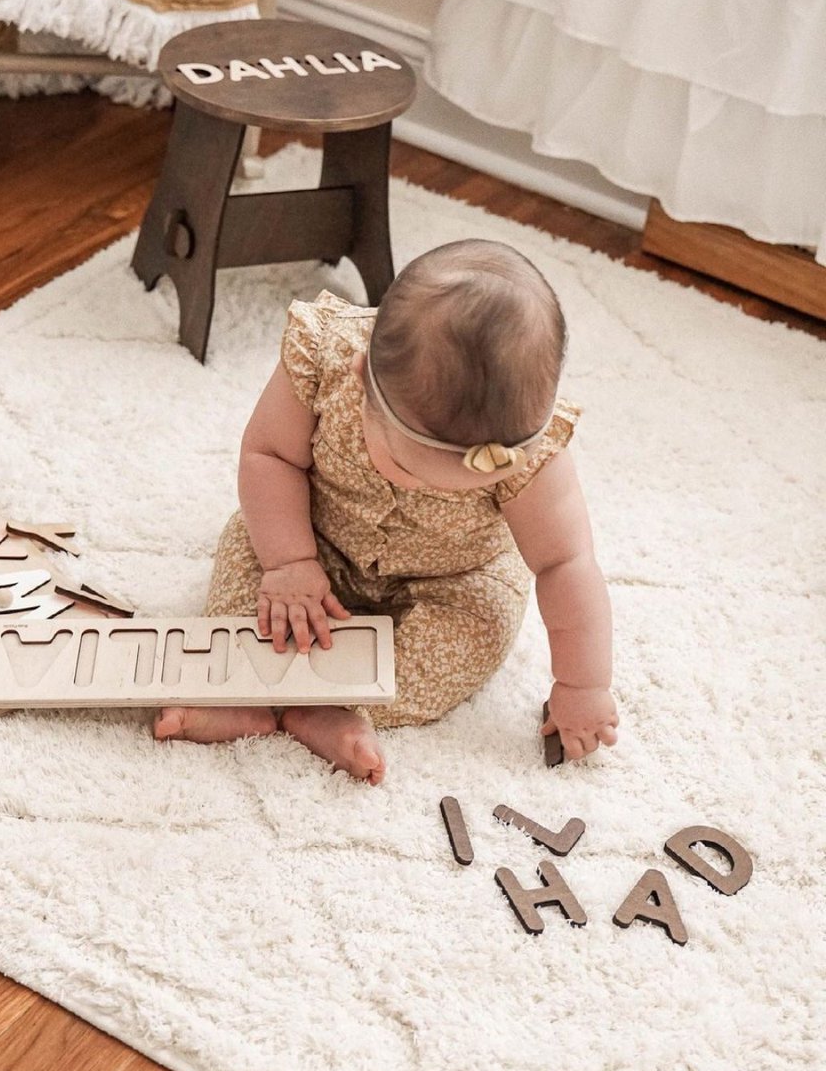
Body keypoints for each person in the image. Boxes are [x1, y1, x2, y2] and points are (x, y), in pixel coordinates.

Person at [154, 239, 619, 783]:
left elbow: (565, 564)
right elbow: (269, 455)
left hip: (451, 577)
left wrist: (582, 685)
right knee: (246, 557)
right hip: (315, 538)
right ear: (362, 379)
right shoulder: (325, 359)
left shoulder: (531, 455)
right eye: (404, 466)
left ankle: (331, 706)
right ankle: (237, 689)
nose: (419, 487)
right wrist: (289, 563)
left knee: (478, 632)